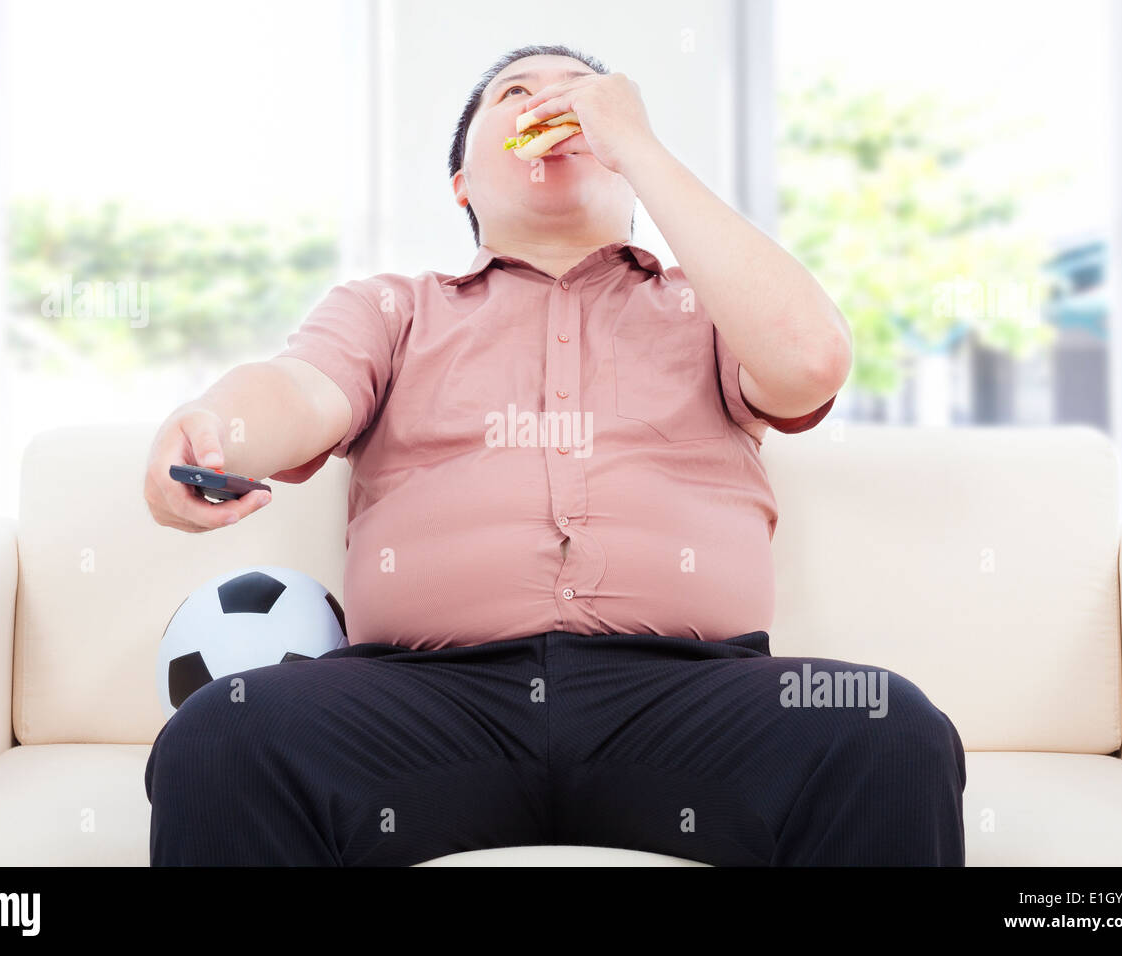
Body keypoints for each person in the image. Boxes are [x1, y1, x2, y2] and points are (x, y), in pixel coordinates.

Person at [141, 44, 966, 866]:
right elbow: (299, 392)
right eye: (515, 93)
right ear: (463, 183)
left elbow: (809, 359)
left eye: (580, 94)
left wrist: (637, 146)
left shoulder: (706, 308)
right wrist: (215, 425)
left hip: (687, 694)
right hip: (425, 698)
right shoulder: (394, 309)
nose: (550, 104)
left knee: (888, 727)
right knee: (223, 732)